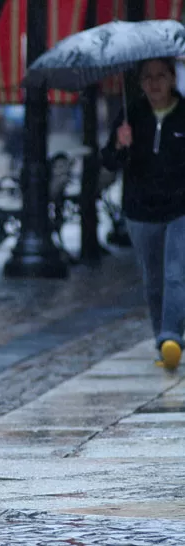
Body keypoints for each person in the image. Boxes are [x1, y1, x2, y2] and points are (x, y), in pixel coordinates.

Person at [102, 57, 185, 371]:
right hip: (141, 210)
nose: (154, 83)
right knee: (154, 281)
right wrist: (121, 145)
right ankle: (162, 343)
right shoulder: (131, 113)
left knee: (176, 274)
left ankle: (171, 337)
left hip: (180, 208)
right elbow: (109, 161)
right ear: (140, 82)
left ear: (172, 78)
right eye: (147, 77)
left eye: (161, 76)